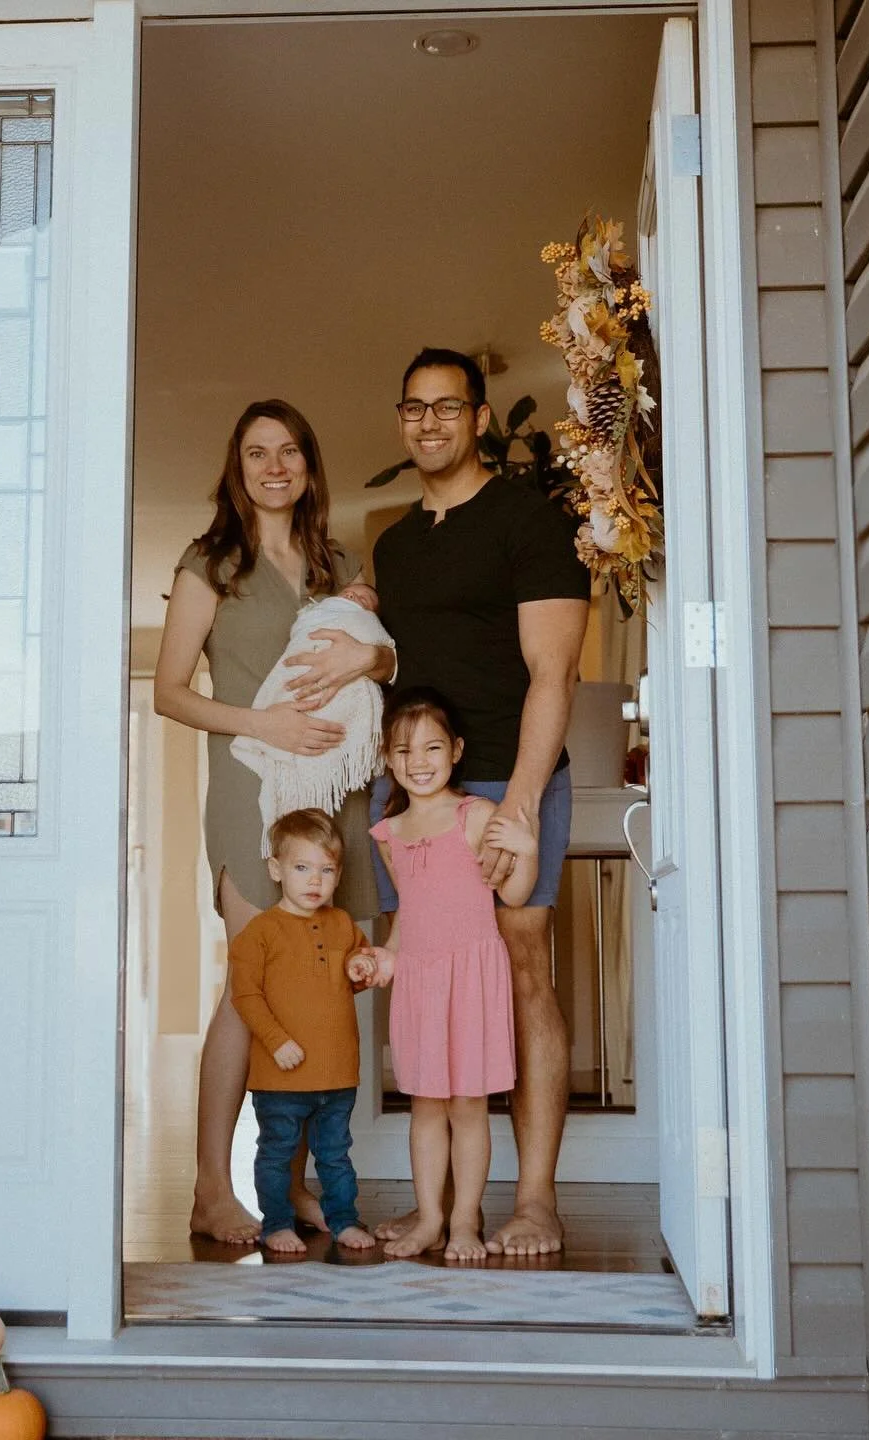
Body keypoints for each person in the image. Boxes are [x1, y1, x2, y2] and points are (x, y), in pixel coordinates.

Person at [153, 399, 394, 1244]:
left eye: (289, 450)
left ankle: (291, 1189)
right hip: (251, 785)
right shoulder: (210, 562)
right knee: (250, 985)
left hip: (337, 795)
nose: (275, 466)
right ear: (238, 467)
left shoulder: (342, 562)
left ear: (308, 464)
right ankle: (213, 1189)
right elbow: (169, 690)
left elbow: (386, 655)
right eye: (257, 453)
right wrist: (267, 726)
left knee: (322, 987)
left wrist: (374, 655)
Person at [369, 348, 592, 1256]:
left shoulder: (529, 518)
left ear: (481, 417)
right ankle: (438, 1211)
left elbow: (556, 670)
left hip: (506, 776)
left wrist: (523, 805)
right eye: (414, 408)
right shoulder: (391, 542)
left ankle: (533, 1200)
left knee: (523, 970)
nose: (429, 423)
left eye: (447, 407)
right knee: (423, 975)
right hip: (415, 788)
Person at [369, 690, 538, 1262]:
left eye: (433, 747)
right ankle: (430, 1220)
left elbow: (512, 893)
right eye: (405, 749)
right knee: (423, 1108)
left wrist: (527, 851)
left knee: (467, 1107)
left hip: (470, 983)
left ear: (457, 751)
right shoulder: (389, 833)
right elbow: (407, 916)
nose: (419, 760)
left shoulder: (477, 817)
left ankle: (465, 1221)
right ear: (388, 759)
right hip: (419, 982)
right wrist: (386, 957)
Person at [229, 808, 390, 1254]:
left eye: (326, 870)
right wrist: (277, 1042)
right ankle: (276, 1222)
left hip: (337, 1074)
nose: (314, 881)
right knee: (277, 1153)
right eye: (302, 868)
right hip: (280, 1076)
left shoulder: (342, 924)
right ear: (276, 869)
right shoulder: (259, 933)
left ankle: (343, 1221)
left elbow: (354, 977)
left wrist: (362, 968)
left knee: (336, 1157)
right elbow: (245, 997)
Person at [231, 580, 394, 845]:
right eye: (350, 594)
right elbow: (303, 633)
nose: (354, 596)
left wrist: (371, 652)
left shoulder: (356, 606)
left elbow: (377, 641)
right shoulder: (317, 612)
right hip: (290, 692)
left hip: (341, 678)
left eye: (365, 601)